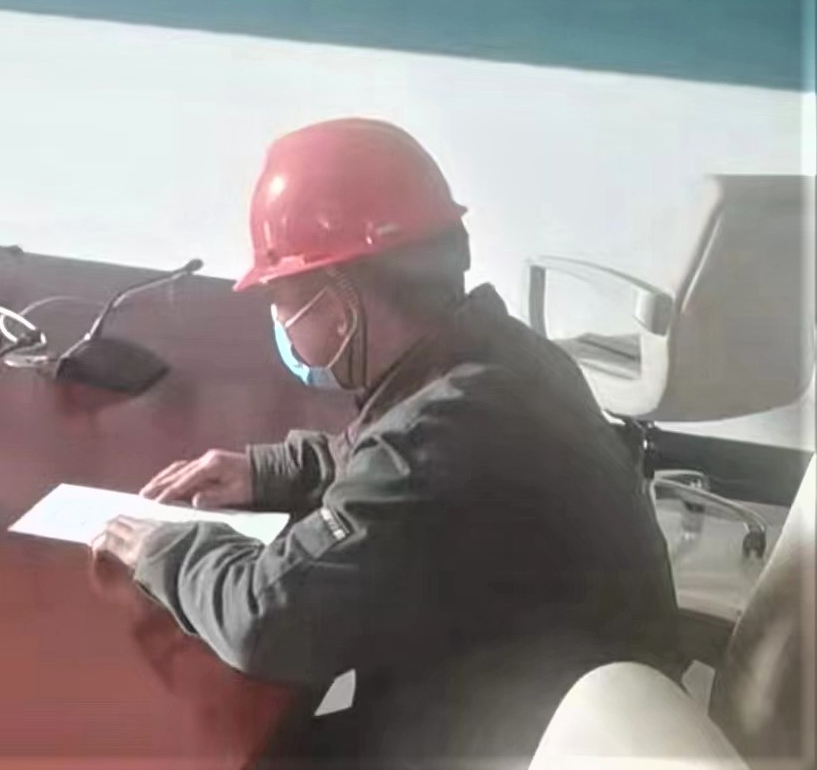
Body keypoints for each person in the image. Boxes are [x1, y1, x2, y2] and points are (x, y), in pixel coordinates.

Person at [91, 118, 681, 767]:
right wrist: (268, 471)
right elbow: (396, 451)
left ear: (342, 302)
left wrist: (167, 548)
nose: (278, 321)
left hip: (527, 739)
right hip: (592, 699)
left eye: (281, 298)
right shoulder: (500, 357)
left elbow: (265, 620)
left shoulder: (433, 438)